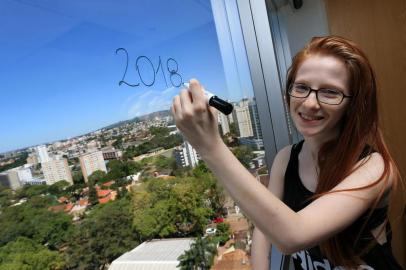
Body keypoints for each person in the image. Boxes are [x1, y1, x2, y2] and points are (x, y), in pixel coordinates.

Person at [171, 36, 403, 269]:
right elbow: (265, 229)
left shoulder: (374, 167)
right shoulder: (286, 158)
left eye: (331, 92)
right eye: (301, 87)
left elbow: (292, 235)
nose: (310, 103)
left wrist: (209, 146)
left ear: (352, 104)